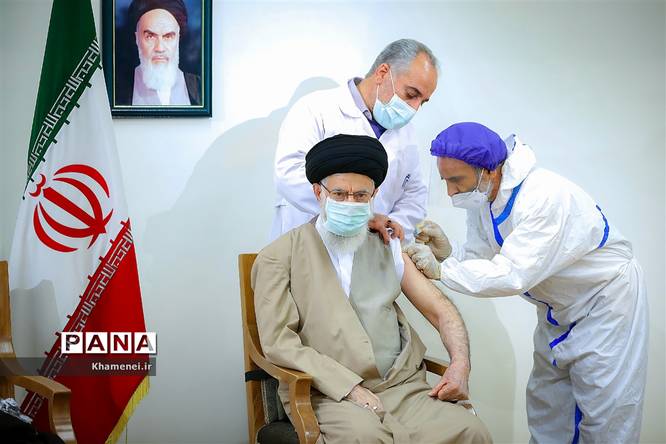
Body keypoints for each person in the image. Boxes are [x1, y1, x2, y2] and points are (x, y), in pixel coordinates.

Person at [404, 122, 648, 443]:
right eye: (445, 181)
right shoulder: (486, 198)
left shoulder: (544, 197)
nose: (450, 192)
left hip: (605, 305)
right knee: (548, 406)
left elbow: (512, 273)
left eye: (456, 181)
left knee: (606, 414)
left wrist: (442, 271)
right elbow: (483, 255)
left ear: (489, 171)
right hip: (558, 309)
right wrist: (449, 254)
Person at [253, 134, 492, 443]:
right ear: (318, 191)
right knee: (366, 438)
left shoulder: (386, 243)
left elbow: (440, 310)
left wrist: (460, 365)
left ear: (374, 194)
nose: (350, 203)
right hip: (329, 393)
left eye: (361, 195)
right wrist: (349, 388)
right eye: (339, 193)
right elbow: (279, 342)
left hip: (401, 388)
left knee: (471, 431)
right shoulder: (277, 257)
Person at [271, 39, 438, 244]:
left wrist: (389, 226)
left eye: (423, 101)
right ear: (382, 73)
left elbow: (414, 194)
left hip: (374, 249)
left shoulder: (407, 133)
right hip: (310, 242)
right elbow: (289, 174)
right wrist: (361, 218)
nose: (414, 108)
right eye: (411, 94)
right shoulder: (315, 109)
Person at [116, 0, 201, 106]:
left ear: (178, 38)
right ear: (136, 38)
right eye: (150, 36)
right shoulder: (117, 91)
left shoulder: (200, 88)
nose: (160, 48)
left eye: (168, 36)